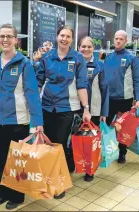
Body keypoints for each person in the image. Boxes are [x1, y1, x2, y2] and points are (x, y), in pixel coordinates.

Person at [0, 23, 43, 210]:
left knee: (17, 161)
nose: (5, 39)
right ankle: (3, 190)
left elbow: (32, 94)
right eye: (2, 36)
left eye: (9, 36)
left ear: (16, 40)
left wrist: (38, 121)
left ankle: (17, 194)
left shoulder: (24, 64)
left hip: (18, 121)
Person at [35, 25, 90, 197]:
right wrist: (35, 106)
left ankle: (59, 182)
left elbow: (82, 85)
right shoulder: (47, 57)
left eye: (68, 36)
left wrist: (86, 108)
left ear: (72, 40)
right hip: (46, 107)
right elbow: (38, 82)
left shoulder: (77, 58)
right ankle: (48, 178)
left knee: (59, 143)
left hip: (66, 108)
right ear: (57, 37)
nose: (64, 39)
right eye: (62, 35)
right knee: (47, 144)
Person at [104, 30, 139, 164]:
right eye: (116, 38)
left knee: (123, 128)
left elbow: (138, 80)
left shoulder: (133, 59)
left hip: (125, 100)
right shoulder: (108, 57)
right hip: (109, 99)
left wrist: (138, 99)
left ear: (126, 41)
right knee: (106, 126)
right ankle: (105, 151)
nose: (118, 41)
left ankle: (122, 152)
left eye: (121, 39)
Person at [78, 36, 109, 182]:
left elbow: (105, 89)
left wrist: (104, 112)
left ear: (93, 49)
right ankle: (75, 163)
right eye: (83, 46)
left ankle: (90, 170)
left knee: (91, 141)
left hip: (94, 110)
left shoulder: (100, 66)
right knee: (75, 139)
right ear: (79, 48)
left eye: (88, 47)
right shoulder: (74, 63)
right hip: (75, 108)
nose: (85, 49)